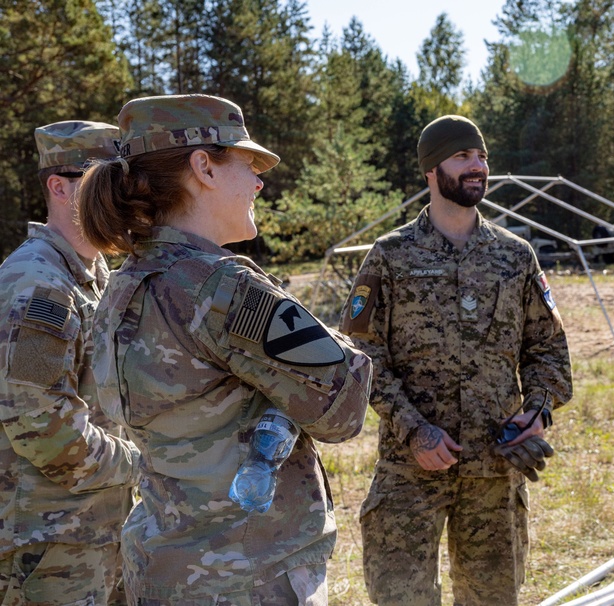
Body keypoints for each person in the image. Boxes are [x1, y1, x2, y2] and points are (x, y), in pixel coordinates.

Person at [76, 94, 372, 605]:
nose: (259, 181)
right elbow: (343, 407)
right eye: (248, 163)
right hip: (248, 577)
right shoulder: (221, 289)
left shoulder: (123, 285)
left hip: (165, 569)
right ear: (203, 167)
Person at [339, 115, 573, 606]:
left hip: (493, 466)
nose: (477, 166)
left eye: (482, 156)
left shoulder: (516, 256)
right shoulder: (390, 255)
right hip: (411, 468)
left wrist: (538, 410)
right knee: (401, 596)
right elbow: (361, 353)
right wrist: (413, 428)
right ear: (431, 169)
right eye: (463, 156)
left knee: (491, 598)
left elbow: (547, 348)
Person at [0, 121, 140, 605]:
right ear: (59, 187)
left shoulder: (96, 276)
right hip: (48, 545)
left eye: (124, 183)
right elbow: (43, 426)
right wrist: (144, 465)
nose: (122, 197)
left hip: (93, 530)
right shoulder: (39, 283)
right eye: (104, 182)